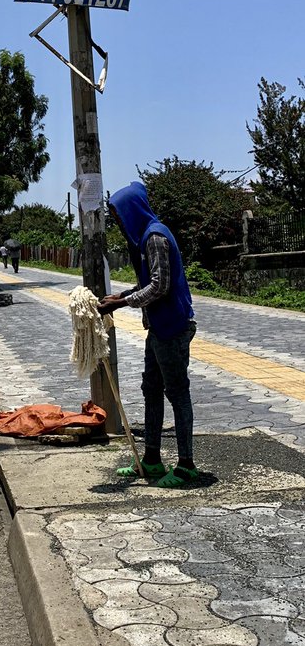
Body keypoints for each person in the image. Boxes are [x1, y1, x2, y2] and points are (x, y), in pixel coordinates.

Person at [98, 182, 199, 488]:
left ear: (132, 211)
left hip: (172, 328)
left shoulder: (155, 237)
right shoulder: (144, 238)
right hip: (158, 328)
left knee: (177, 393)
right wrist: (123, 294)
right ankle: (152, 459)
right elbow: (149, 284)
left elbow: (160, 286)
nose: (117, 222)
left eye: (118, 215)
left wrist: (123, 302)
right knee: (151, 390)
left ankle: (186, 465)